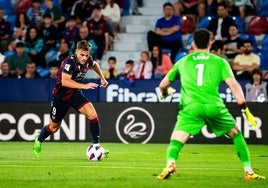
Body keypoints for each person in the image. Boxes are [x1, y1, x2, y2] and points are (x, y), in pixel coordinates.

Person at [157, 29, 265, 180]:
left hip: (191, 107)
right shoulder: (220, 62)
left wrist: (164, 93)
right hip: (214, 106)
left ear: (193, 43)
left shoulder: (183, 61)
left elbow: (163, 84)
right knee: (236, 134)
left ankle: (171, 163)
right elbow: (234, 86)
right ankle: (248, 171)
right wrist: (244, 109)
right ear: (210, 42)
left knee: (176, 139)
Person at [33, 40, 109, 158]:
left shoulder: (88, 59)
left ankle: (96, 146)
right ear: (76, 51)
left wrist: (102, 78)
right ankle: (39, 139)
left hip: (75, 93)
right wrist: (84, 86)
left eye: (86, 55)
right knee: (54, 128)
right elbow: (65, 81)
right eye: (82, 55)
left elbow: (94, 64)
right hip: (61, 97)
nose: (84, 58)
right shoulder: (69, 62)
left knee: (92, 114)